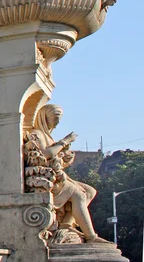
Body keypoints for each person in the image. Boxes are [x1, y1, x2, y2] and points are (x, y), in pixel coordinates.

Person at [30, 104, 106, 242]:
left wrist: (65, 159)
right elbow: (46, 154)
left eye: (59, 119)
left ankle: (66, 223)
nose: (57, 123)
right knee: (79, 195)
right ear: (44, 117)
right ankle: (91, 236)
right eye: (54, 118)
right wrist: (65, 141)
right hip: (46, 179)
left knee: (90, 191)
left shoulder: (48, 136)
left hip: (57, 176)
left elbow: (54, 160)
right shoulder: (37, 134)